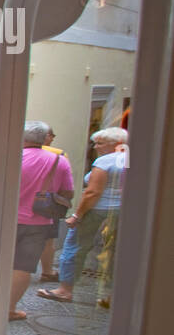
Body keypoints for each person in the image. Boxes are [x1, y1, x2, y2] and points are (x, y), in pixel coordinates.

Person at [38, 127, 127, 309]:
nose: (96, 147)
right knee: (114, 251)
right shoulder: (131, 159)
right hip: (121, 210)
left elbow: (93, 192)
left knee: (75, 247)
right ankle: (113, 294)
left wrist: (77, 215)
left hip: (97, 210)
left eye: (100, 143)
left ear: (116, 143)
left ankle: (65, 289)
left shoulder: (104, 161)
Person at [9, 121, 74, 321]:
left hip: (7, 218)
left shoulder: (11, 157)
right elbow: (68, 192)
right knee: (23, 266)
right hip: (38, 222)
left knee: (0, 262)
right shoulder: (58, 161)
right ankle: (9, 308)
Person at [37, 126, 66, 281]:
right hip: (47, 202)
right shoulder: (59, 155)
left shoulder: (18, 153)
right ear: (46, 136)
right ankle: (47, 271)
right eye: (52, 135)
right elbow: (67, 187)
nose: (53, 138)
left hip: (21, 201)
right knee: (48, 240)